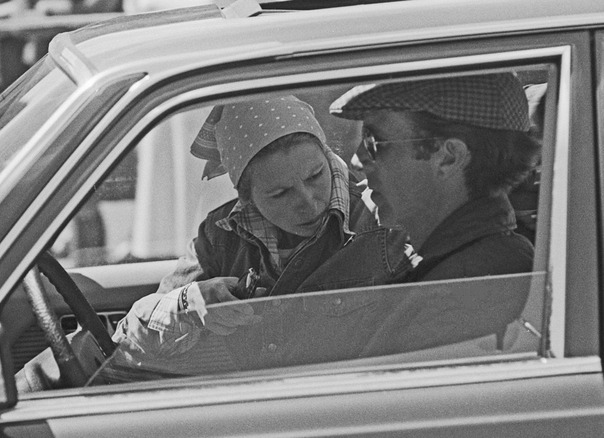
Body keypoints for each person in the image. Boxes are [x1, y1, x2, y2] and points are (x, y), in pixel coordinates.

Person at [112, 96, 413, 358]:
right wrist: (187, 303)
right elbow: (127, 340)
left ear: (326, 154)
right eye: (280, 193)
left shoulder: (384, 216)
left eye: (316, 175)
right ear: (246, 197)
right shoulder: (219, 237)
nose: (309, 203)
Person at [328, 73, 542, 355]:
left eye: (373, 141)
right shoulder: (469, 268)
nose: (356, 161)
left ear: (448, 157)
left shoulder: (466, 296)